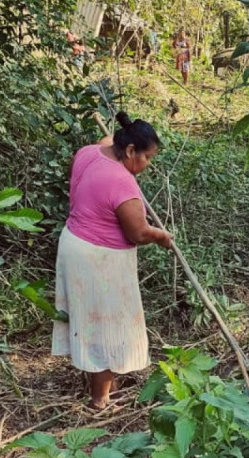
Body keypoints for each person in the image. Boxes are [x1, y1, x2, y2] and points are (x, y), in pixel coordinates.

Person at [52, 112, 173, 410]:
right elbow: (138, 233)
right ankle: (100, 399)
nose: (147, 165)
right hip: (99, 259)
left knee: (88, 317)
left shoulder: (88, 154)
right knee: (104, 326)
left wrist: (124, 132)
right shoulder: (122, 183)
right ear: (130, 151)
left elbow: (106, 141)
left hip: (74, 245)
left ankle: (101, 383)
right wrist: (161, 236)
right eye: (147, 157)